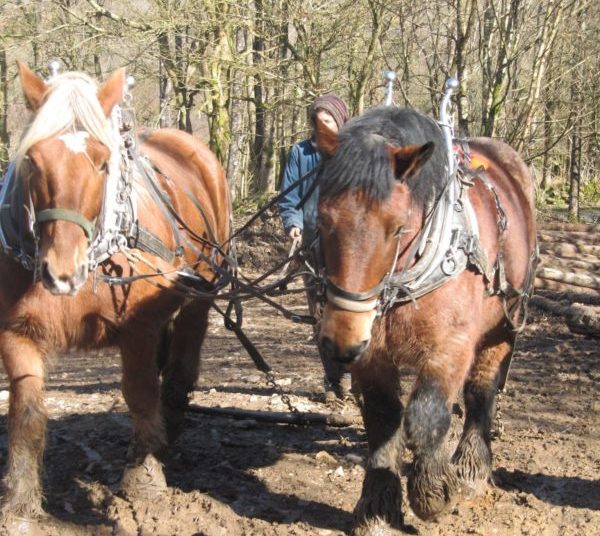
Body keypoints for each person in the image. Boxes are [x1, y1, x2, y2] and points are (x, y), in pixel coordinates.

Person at [278, 94, 352, 402]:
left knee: (348, 311)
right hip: (311, 246)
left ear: (341, 122)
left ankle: (352, 373)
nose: (324, 126)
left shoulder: (352, 153)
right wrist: (292, 223)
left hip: (346, 250)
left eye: (329, 121)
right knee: (320, 314)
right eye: (319, 121)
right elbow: (288, 196)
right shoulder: (301, 152)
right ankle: (333, 378)